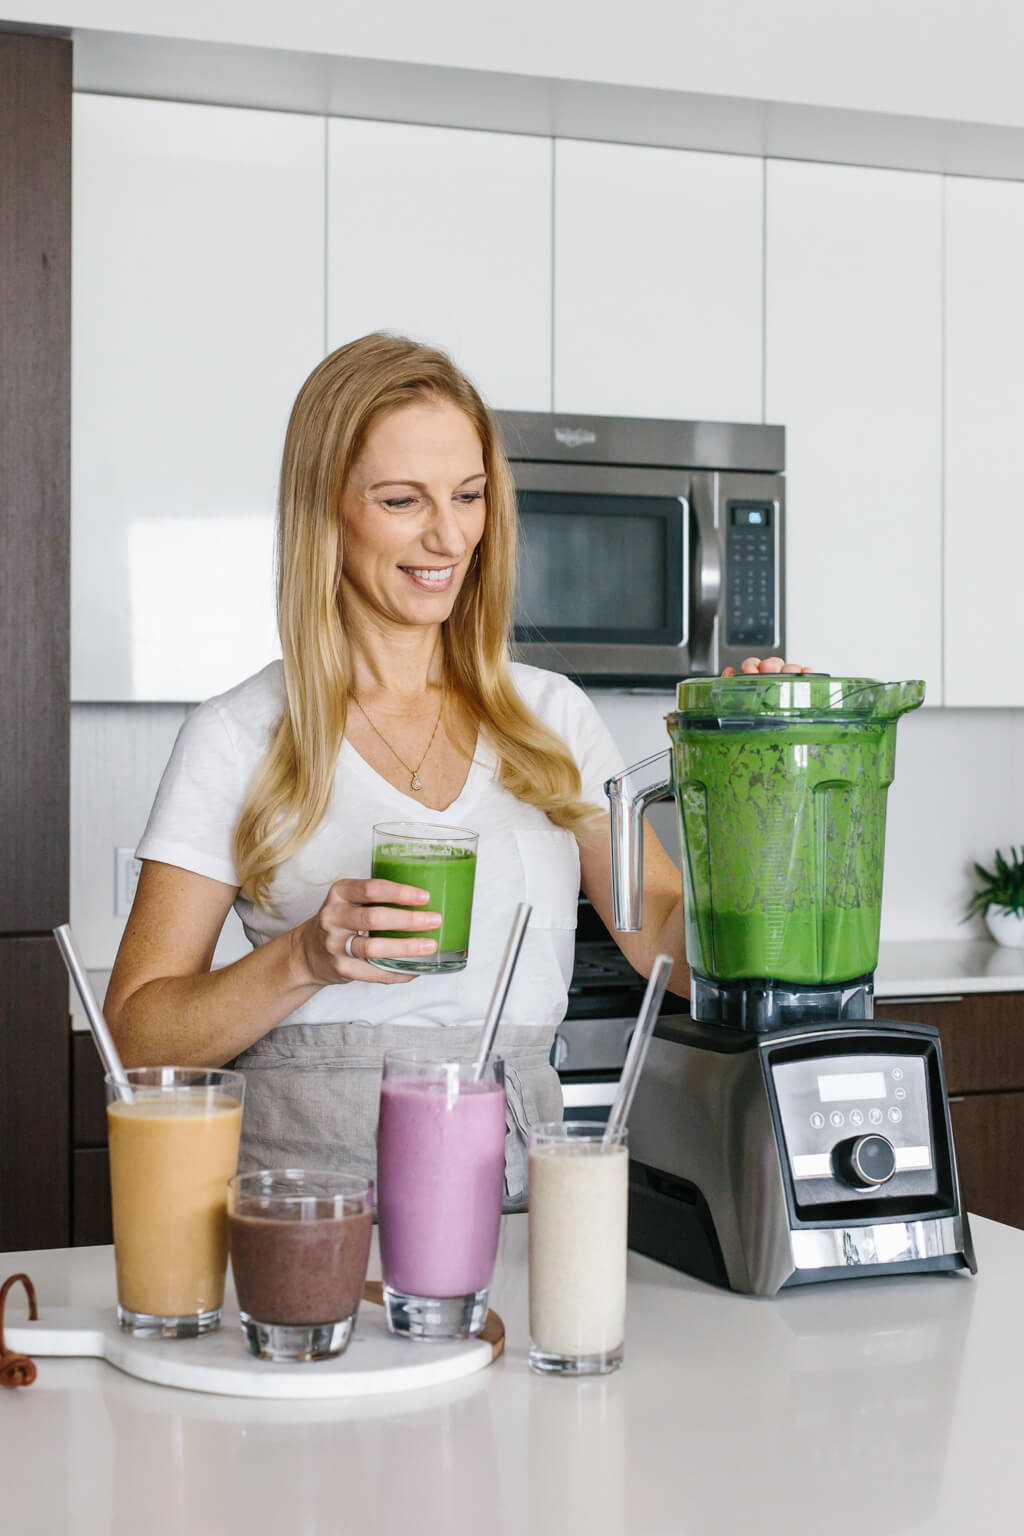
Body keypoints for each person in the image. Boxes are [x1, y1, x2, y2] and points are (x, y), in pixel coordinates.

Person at [105, 332, 808, 1203]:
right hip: (307, 1201)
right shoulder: (239, 734)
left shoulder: (551, 719)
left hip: (512, 1190)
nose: (448, 535)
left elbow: (672, 946)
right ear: (327, 508)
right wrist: (302, 960)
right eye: (403, 500)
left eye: (469, 495)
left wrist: (760, 784)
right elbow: (137, 1039)